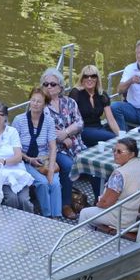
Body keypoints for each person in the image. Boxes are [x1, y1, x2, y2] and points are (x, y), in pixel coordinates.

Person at [78, 138, 140, 231]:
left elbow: (105, 203)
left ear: (131, 154)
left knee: (84, 213)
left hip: (126, 219)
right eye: (114, 150)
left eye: (119, 151)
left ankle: (82, 241)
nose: (115, 154)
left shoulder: (119, 175)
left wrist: (98, 203)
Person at [41, 67, 85, 220]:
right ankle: (65, 204)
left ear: (60, 87)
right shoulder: (41, 105)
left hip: (74, 144)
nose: (48, 87)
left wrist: (66, 133)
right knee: (67, 165)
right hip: (53, 149)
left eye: (52, 84)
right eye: (45, 84)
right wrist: (61, 136)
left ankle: (100, 199)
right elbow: (48, 130)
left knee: (92, 160)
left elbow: (80, 122)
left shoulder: (70, 102)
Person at [12, 87, 62, 218]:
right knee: (43, 183)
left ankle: (56, 216)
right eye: (33, 100)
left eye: (39, 101)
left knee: (55, 183)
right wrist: (28, 159)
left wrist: (51, 169)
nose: (35, 104)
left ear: (45, 104)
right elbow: (13, 147)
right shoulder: (19, 120)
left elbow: (52, 147)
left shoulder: (49, 121)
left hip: (43, 158)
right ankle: (47, 215)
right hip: (25, 159)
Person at [70, 64, 123, 147]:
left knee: (117, 139)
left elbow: (111, 119)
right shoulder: (76, 93)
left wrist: (121, 136)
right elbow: (69, 117)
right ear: (82, 79)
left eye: (93, 76)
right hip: (83, 130)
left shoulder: (102, 94)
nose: (89, 79)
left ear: (97, 78)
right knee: (112, 138)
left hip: (98, 128)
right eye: (86, 76)